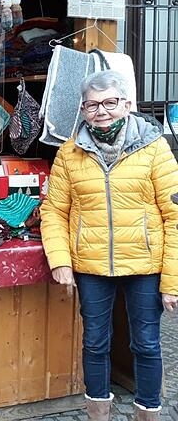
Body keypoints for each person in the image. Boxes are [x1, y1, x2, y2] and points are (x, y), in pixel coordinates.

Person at [41, 70, 178, 421]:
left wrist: (172, 281)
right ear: (82, 110)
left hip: (146, 265)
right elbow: (54, 211)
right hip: (91, 264)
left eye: (110, 102)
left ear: (127, 104)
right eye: (91, 105)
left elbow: (174, 216)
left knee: (146, 344)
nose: (101, 111)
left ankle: (147, 412)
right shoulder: (70, 153)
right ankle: (98, 413)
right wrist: (60, 260)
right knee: (95, 342)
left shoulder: (154, 147)